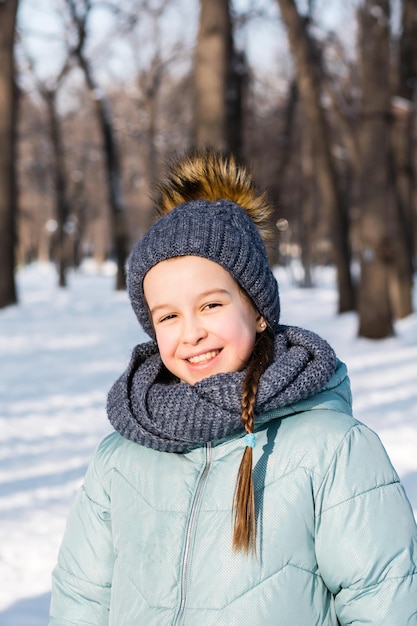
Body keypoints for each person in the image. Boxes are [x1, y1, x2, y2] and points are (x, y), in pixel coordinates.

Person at [49, 148, 417, 626]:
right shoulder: (120, 459)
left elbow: (386, 603)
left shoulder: (333, 449)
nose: (191, 332)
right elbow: (81, 602)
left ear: (258, 310)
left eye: (211, 305)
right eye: (168, 316)